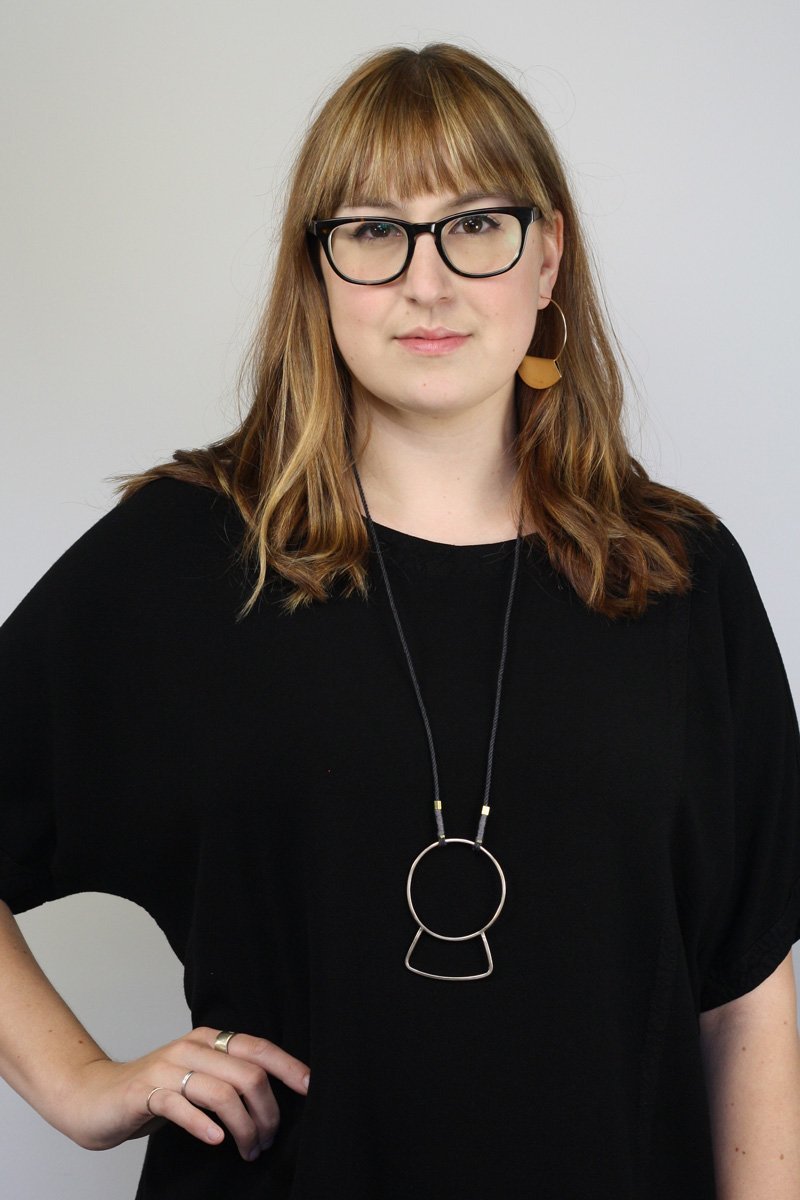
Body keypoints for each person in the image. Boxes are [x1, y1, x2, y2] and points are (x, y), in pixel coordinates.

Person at [1, 41, 799, 1200]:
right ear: (316, 272)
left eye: (476, 223)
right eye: (373, 231)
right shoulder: (188, 556)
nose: (427, 282)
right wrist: (76, 1084)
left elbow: (744, 997)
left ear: (547, 259)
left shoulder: (678, 576)